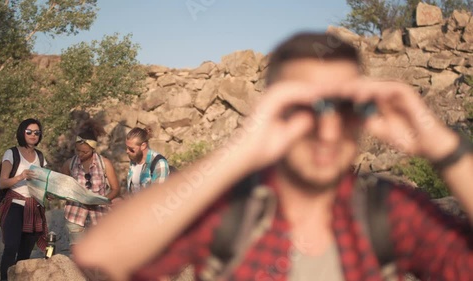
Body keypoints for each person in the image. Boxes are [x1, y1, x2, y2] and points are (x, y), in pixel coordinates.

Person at [73, 32, 473, 281]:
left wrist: (440, 144)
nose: (329, 130)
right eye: (306, 108)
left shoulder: (388, 209)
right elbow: (101, 256)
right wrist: (245, 148)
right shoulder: (235, 210)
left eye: (346, 107)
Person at [0, 118, 48, 281]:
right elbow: (2, 183)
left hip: (34, 207)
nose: (33, 135)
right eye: (29, 132)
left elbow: (44, 181)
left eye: (36, 132)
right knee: (11, 247)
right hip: (15, 205)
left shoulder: (40, 157)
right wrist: (21, 176)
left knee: (25, 253)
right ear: (22, 133)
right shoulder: (11, 153)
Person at [61, 120, 120, 246]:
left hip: (99, 216)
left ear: (93, 149)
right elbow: (62, 187)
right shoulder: (69, 164)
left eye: (85, 152)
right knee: (79, 254)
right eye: (78, 151)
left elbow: (115, 189)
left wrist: (101, 200)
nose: (80, 154)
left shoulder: (105, 164)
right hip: (75, 216)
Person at [125, 127, 170, 194]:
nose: (127, 151)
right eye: (126, 147)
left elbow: (158, 195)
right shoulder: (134, 160)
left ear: (143, 146)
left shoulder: (159, 163)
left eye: (131, 149)